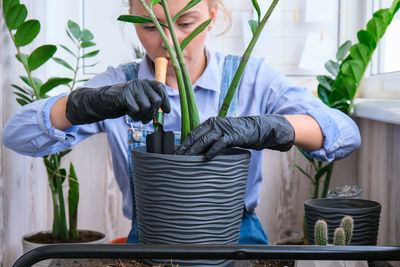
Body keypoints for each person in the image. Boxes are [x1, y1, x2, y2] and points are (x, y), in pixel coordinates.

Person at [2, 0, 361, 245]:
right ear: (130, 16)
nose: (170, 43)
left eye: (186, 23)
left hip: (237, 237)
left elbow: (345, 134)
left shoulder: (251, 77)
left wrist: (274, 128)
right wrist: (83, 104)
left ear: (214, 13)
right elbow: (17, 135)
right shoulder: (118, 84)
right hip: (151, 240)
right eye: (149, 26)